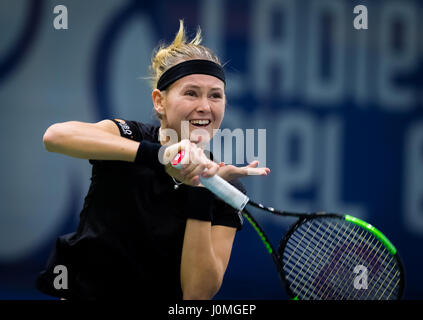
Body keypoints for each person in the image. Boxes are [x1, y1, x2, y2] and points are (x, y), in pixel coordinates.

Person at [36, 20, 269, 300]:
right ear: (159, 101)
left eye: (215, 96)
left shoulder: (226, 190)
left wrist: (201, 187)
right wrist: (158, 156)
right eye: (191, 93)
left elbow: (196, 295)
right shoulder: (129, 135)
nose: (205, 106)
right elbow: (55, 136)